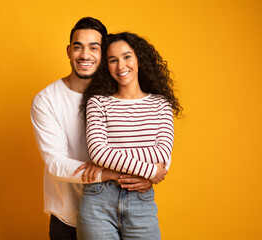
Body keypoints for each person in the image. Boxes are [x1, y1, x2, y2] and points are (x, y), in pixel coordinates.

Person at [31, 18, 154, 240]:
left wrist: (151, 175)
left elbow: (152, 133)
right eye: (78, 47)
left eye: (94, 48)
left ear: (104, 52)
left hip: (123, 208)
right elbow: (56, 163)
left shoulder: (121, 92)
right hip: (67, 218)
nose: (85, 55)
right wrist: (115, 174)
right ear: (69, 51)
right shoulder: (47, 100)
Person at [77, 32, 182, 240]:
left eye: (127, 57)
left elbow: (161, 152)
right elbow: (98, 152)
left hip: (141, 200)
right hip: (98, 200)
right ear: (106, 66)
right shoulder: (98, 102)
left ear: (139, 59)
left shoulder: (161, 104)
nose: (120, 66)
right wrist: (151, 171)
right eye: (112, 60)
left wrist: (111, 161)